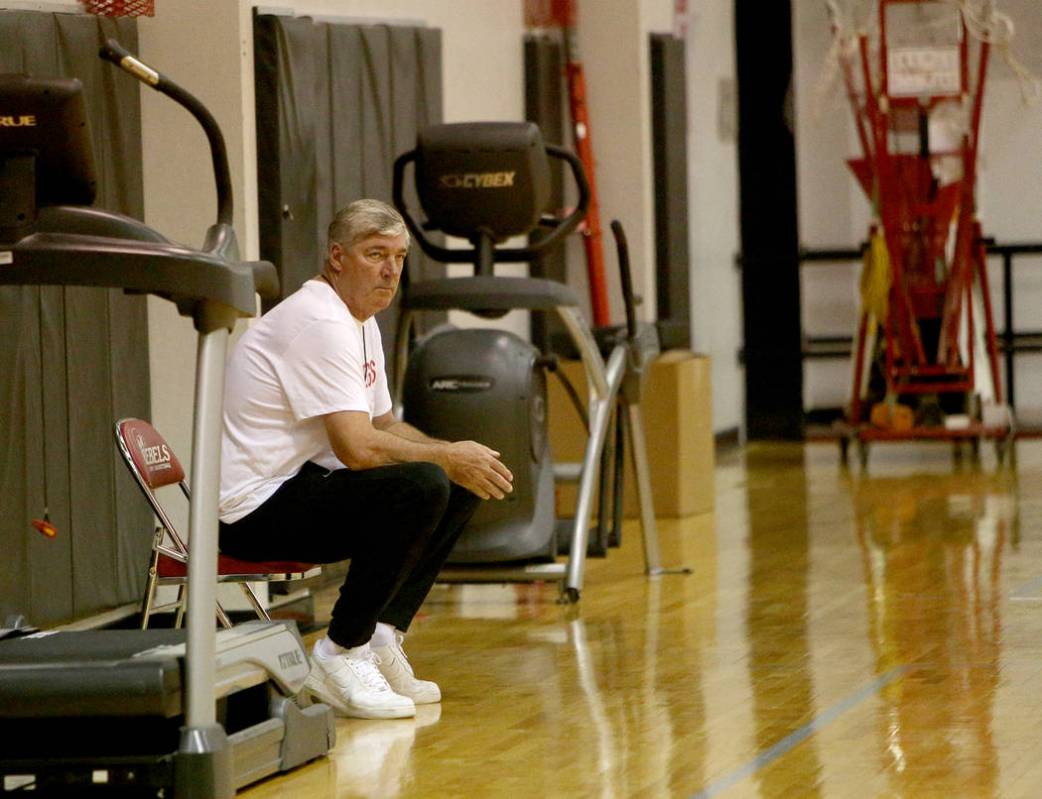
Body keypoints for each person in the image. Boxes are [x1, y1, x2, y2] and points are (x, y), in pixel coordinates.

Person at [218, 199, 514, 720]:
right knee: (421, 485)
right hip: (249, 512)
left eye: (399, 257)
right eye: (375, 254)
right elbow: (357, 448)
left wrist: (454, 459)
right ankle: (338, 653)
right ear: (337, 257)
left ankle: (380, 637)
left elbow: (384, 425)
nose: (390, 270)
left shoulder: (360, 320)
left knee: (455, 481)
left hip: (300, 484)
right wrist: (443, 457)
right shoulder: (320, 321)